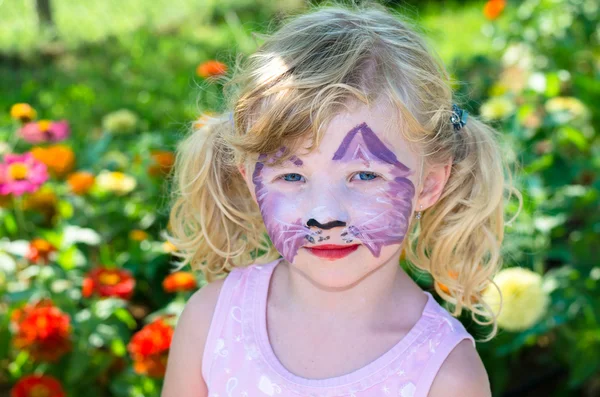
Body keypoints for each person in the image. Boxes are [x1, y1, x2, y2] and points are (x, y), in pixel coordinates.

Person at [162, 2, 521, 396]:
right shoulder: (212, 323)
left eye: (364, 175)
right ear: (251, 180)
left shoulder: (446, 377)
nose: (324, 216)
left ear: (429, 183)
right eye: (292, 175)